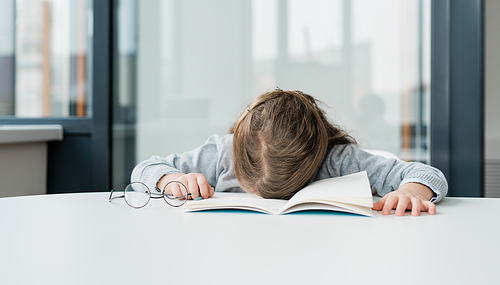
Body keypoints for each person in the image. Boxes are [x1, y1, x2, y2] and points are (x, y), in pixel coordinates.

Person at [131, 89, 448, 216]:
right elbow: (146, 168)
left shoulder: (336, 159)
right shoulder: (220, 153)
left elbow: (426, 174)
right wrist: (170, 179)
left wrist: (410, 191)